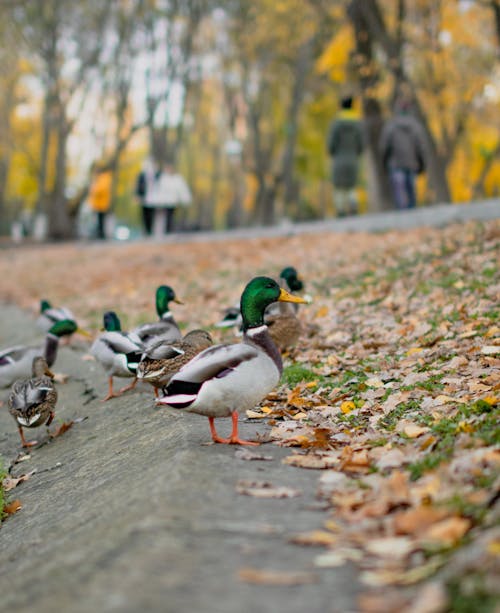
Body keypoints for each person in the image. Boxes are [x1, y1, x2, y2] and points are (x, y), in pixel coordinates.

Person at [379, 97, 427, 210]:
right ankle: (412, 212)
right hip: (411, 162)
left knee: (399, 191)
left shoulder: (391, 126)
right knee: (411, 189)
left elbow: (384, 146)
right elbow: (420, 147)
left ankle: (401, 214)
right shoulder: (415, 126)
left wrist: (384, 162)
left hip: (395, 163)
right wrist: (421, 164)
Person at [327, 95, 364, 217]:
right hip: (353, 158)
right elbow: (362, 144)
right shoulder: (358, 123)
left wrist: (332, 153)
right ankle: (353, 207)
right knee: (352, 186)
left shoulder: (336, 124)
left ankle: (341, 211)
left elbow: (331, 144)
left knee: (339, 187)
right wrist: (357, 153)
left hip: (339, 159)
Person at [143, 162, 192, 236]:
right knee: (163, 217)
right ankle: (161, 231)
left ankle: (168, 230)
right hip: (164, 202)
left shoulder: (177, 179)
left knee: (170, 216)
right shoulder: (162, 178)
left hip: (173, 201)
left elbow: (182, 190)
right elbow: (157, 190)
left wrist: (185, 200)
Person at [88, 164, 112, 239]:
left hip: (101, 203)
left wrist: (94, 190)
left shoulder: (104, 178)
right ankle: (100, 234)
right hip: (98, 203)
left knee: (101, 220)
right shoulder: (101, 178)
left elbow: (101, 190)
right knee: (99, 220)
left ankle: (101, 235)